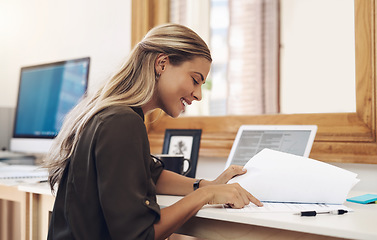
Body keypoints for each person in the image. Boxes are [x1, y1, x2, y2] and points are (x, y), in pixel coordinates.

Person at [44, 23, 262, 240]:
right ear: (162, 63)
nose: (198, 95)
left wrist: (206, 184)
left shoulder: (113, 115)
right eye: (195, 80)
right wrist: (206, 195)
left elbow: (148, 175)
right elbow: (139, 235)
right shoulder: (122, 123)